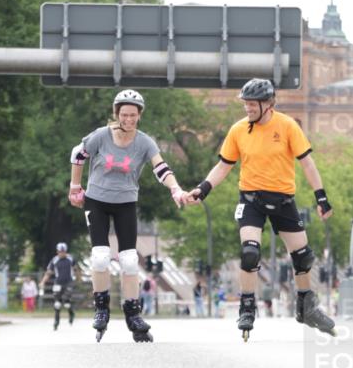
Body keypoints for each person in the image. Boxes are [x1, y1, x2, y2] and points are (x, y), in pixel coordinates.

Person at [184, 77, 335, 338]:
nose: (247, 109)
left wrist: (321, 197)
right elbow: (224, 165)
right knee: (250, 253)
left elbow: (307, 163)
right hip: (251, 199)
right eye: (245, 104)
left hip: (283, 200)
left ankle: (306, 305)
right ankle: (247, 306)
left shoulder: (287, 126)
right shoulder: (238, 130)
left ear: (268, 104)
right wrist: (203, 188)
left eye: (252, 104)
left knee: (303, 257)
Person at [69, 89, 185, 342]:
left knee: (130, 260)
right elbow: (78, 155)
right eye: (124, 115)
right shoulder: (101, 136)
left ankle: (133, 314)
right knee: (100, 257)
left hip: (126, 203)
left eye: (133, 115)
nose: (129, 120)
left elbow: (161, 168)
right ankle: (101, 309)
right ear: (116, 114)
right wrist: (75, 187)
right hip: (96, 200)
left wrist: (175, 188)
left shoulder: (145, 142)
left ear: (139, 115)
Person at [39, 243, 77, 330]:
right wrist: (42, 282)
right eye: (60, 252)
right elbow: (48, 272)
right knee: (57, 304)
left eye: (63, 252)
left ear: (66, 251)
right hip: (58, 283)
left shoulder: (70, 259)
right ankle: (56, 321)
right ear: (57, 252)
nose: (61, 253)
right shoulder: (54, 260)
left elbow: (76, 269)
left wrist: (78, 278)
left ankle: (71, 314)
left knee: (67, 303)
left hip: (68, 283)